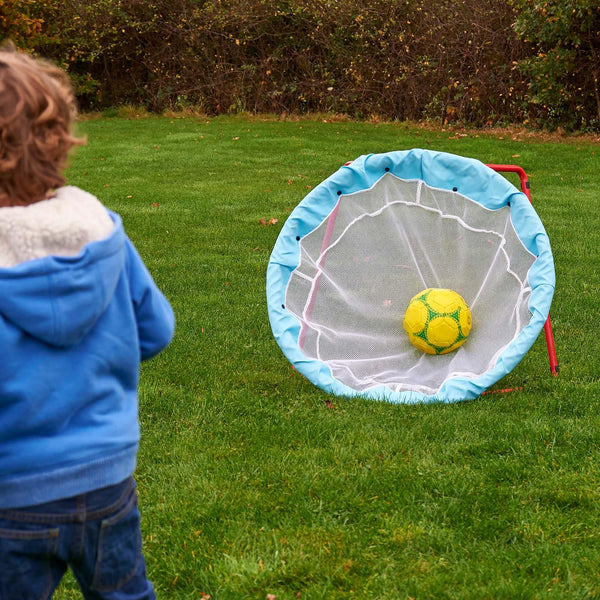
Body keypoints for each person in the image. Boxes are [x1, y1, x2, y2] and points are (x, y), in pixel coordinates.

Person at [0, 48, 175, 599]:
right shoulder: (102, 233)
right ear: (59, 139)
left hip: (13, 492)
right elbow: (156, 330)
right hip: (107, 476)